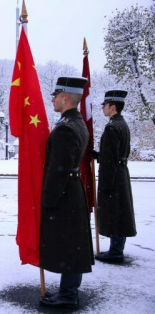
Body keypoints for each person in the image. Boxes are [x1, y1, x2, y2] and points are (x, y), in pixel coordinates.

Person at [39, 77, 94, 309]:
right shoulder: (76, 123)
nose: (52, 99)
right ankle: (68, 291)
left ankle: (68, 296)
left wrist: (48, 199)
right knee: (74, 243)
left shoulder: (66, 129)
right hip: (72, 190)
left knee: (70, 245)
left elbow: (57, 170)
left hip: (64, 194)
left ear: (66, 98)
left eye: (55, 95)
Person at [91, 90, 136, 263]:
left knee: (115, 213)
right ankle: (117, 248)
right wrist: (97, 155)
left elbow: (110, 159)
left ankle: (115, 251)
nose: (103, 107)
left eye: (105, 105)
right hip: (122, 173)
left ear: (113, 107)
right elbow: (116, 154)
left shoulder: (111, 127)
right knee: (121, 212)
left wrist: (106, 185)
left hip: (114, 177)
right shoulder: (122, 124)